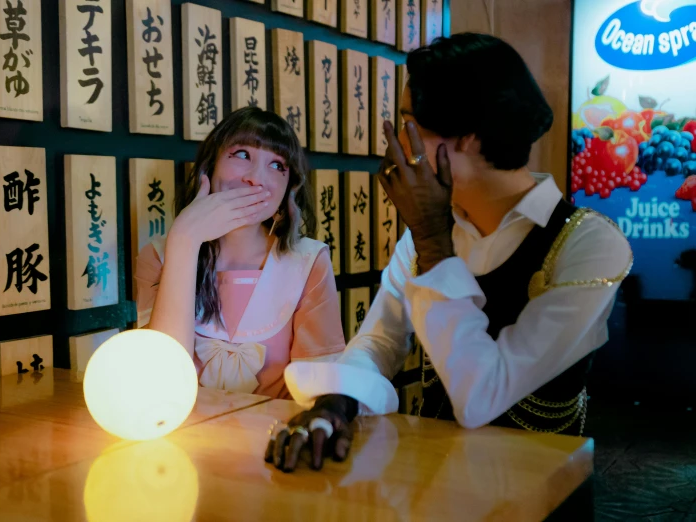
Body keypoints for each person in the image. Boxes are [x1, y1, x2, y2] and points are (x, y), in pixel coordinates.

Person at [265, 33, 633, 472]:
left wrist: (433, 240)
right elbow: (382, 339)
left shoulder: (589, 244)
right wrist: (334, 405)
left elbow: (483, 396)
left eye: (409, 123)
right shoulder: (433, 231)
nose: (398, 143)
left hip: (543, 487)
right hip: (437, 471)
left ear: (467, 138)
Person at [136, 107, 346, 399]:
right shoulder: (158, 257)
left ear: (289, 187)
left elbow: (320, 389)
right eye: (243, 155)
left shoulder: (309, 263)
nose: (256, 179)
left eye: (277, 165)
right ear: (210, 166)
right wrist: (185, 239)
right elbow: (161, 383)